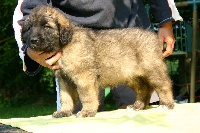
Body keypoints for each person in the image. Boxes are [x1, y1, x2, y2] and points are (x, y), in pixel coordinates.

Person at [13, 0, 182, 111]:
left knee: (143, 116)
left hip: (131, 35)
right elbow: (28, 11)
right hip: (73, 42)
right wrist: (29, 49)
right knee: (81, 119)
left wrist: (165, 21)